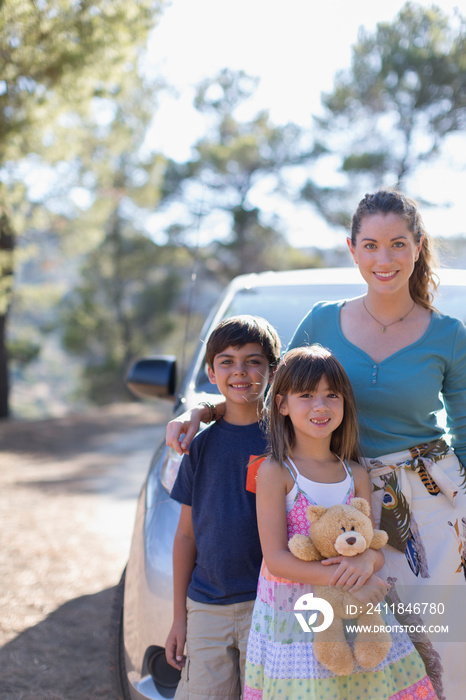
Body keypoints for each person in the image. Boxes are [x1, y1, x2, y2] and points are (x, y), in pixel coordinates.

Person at [165, 189, 466, 699]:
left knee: (444, 636)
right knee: (343, 648)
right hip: (333, 500)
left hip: (428, 505)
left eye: (397, 244)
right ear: (352, 250)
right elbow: (274, 395)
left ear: (418, 246)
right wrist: (206, 410)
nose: (384, 258)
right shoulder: (322, 321)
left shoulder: (450, 334)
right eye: (370, 245)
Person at [243, 345, 437, 699]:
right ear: (282, 405)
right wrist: (348, 579)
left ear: (345, 403)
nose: (321, 406)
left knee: (361, 684)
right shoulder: (276, 471)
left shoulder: (356, 473)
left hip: (358, 605)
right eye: (307, 395)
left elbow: (373, 545)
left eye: (332, 395)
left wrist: (367, 563)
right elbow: (276, 558)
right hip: (297, 611)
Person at [165, 314, 281, 699]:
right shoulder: (199, 444)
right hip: (206, 608)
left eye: (253, 361)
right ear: (211, 373)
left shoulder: (286, 441)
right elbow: (185, 536)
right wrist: (180, 616)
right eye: (227, 361)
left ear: (273, 369)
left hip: (269, 607)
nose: (241, 371)